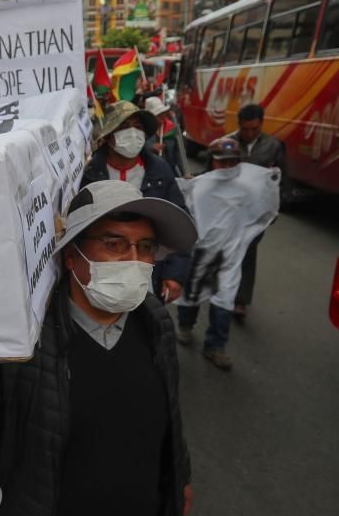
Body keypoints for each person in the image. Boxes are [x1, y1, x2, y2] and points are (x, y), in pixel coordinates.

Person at [0, 180, 195, 516]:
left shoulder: (155, 321)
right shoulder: (21, 347)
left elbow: (169, 418)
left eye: (144, 247)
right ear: (71, 255)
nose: (133, 260)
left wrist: (180, 478)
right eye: (114, 243)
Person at [82, 101, 190, 305]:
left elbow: (178, 222)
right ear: (108, 134)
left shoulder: (160, 171)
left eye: (138, 127)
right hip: (99, 271)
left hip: (147, 270)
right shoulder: (86, 173)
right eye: (124, 127)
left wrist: (175, 274)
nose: (132, 133)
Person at [174, 138, 252, 370]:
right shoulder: (198, 187)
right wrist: (187, 186)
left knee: (224, 299)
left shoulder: (246, 190)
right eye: (222, 162)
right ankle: (185, 326)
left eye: (232, 162)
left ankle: (215, 346)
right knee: (192, 292)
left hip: (229, 255)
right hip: (200, 252)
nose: (227, 167)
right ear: (211, 162)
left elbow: (262, 212)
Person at [225, 103, 285, 322]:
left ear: (261, 125)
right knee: (229, 252)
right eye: (245, 129)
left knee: (248, 251)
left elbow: (280, 180)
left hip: (257, 211)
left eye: (254, 129)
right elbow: (211, 174)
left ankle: (240, 300)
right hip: (230, 209)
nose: (249, 134)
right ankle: (223, 292)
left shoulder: (274, 146)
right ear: (238, 125)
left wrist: (275, 208)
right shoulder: (227, 144)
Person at [144, 96, 184, 177]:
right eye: (159, 114)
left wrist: (184, 173)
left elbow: (179, 155)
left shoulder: (171, 128)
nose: (162, 116)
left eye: (163, 112)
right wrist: (150, 147)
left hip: (169, 173)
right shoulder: (143, 130)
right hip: (150, 174)